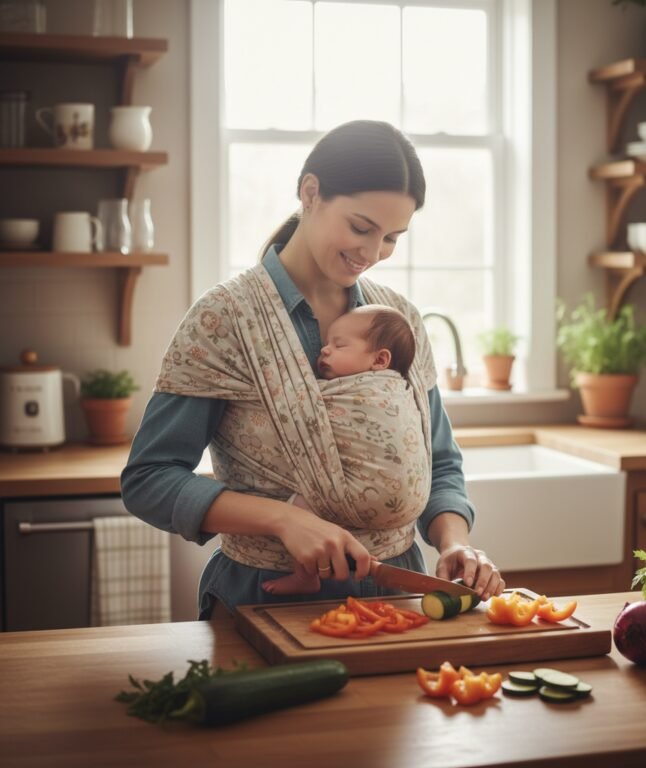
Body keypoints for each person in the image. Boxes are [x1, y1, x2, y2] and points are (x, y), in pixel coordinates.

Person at [121, 119, 505, 620]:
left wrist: (454, 541)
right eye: (361, 227)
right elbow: (149, 479)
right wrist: (282, 520)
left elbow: (439, 462)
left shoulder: (398, 322)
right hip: (265, 600)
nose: (372, 254)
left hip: (400, 600)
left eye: (391, 237)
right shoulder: (225, 320)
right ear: (310, 192)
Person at [262, 303, 419, 595]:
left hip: (366, 494)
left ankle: (305, 575)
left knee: (301, 506)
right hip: (403, 506)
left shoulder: (350, 391)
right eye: (325, 344)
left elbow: (298, 402)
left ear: (380, 360)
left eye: (339, 345)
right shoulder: (403, 388)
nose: (324, 350)